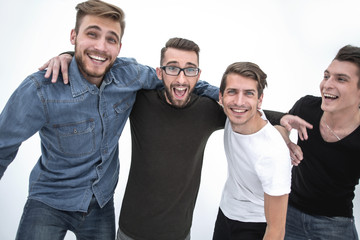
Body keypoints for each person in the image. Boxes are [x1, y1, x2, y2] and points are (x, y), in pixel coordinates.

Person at [45, 38, 296, 239]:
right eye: (173, 68)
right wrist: (67, 55)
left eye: (190, 70)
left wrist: (281, 122)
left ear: (198, 75)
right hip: (130, 230)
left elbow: (243, 111)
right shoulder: (139, 99)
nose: (181, 78)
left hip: (178, 233)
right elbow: (104, 68)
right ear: (160, 72)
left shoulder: (208, 110)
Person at [0, 0, 163, 239]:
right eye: (92, 34)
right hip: (48, 200)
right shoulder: (41, 89)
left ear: (119, 47)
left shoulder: (129, 76)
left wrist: (225, 97)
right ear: (74, 36)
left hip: (100, 201)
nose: (101, 46)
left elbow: (175, 80)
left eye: (111, 39)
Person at [280, 45, 360, 239]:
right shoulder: (306, 107)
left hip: (335, 225)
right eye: (326, 76)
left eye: (340, 79)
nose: (327, 85)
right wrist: (285, 138)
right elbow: (282, 124)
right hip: (289, 213)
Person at [212, 62, 293, 240]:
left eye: (249, 93)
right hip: (225, 214)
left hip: (255, 226)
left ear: (260, 100)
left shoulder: (272, 153)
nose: (239, 102)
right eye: (232, 92)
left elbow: (276, 230)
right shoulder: (231, 115)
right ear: (221, 97)